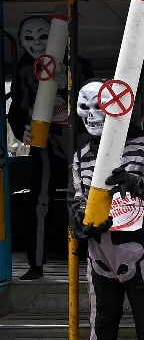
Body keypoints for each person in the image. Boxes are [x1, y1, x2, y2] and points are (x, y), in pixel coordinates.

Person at [68, 79, 144, 340]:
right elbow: (75, 199)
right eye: (86, 109)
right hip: (100, 258)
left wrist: (141, 186)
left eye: (99, 107)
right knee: (100, 337)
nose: (93, 116)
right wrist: (79, 223)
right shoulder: (82, 154)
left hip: (143, 256)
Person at [10, 16, 93, 280]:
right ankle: (36, 263)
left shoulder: (79, 64)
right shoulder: (25, 70)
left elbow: (91, 100)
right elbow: (18, 107)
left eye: (43, 36)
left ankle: (94, 259)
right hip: (45, 139)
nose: (36, 44)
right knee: (39, 201)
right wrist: (23, 129)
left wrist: (69, 84)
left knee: (86, 197)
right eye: (29, 38)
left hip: (78, 140)